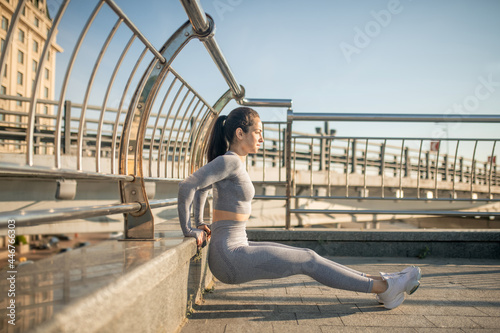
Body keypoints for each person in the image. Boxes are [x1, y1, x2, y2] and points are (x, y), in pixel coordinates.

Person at [178, 107, 421, 309]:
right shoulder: (229, 160)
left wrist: (200, 222)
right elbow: (189, 186)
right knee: (308, 260)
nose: (262, 138)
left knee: (308, 255)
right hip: (229, 256)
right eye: (258, 132)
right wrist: (189, 228)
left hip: (235, 247)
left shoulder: (233, 162)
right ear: (240, 133)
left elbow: (203, 188)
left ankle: (381, 282)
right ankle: (385, 288)